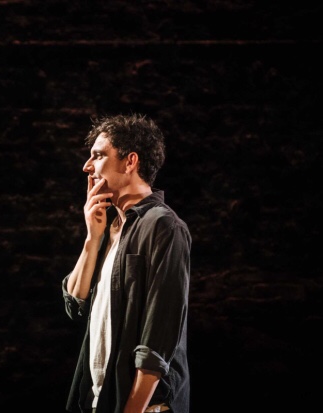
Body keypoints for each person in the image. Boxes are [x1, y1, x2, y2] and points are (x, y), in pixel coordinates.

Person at [62, 113, 191, 413]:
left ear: (130, 161)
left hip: (146, 407)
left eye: (98, 155)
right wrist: (92, 238)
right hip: (101, 401)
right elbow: (74, 303)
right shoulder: (110, 229)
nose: (87, 166)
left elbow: (157, 343)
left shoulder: (163, 226)